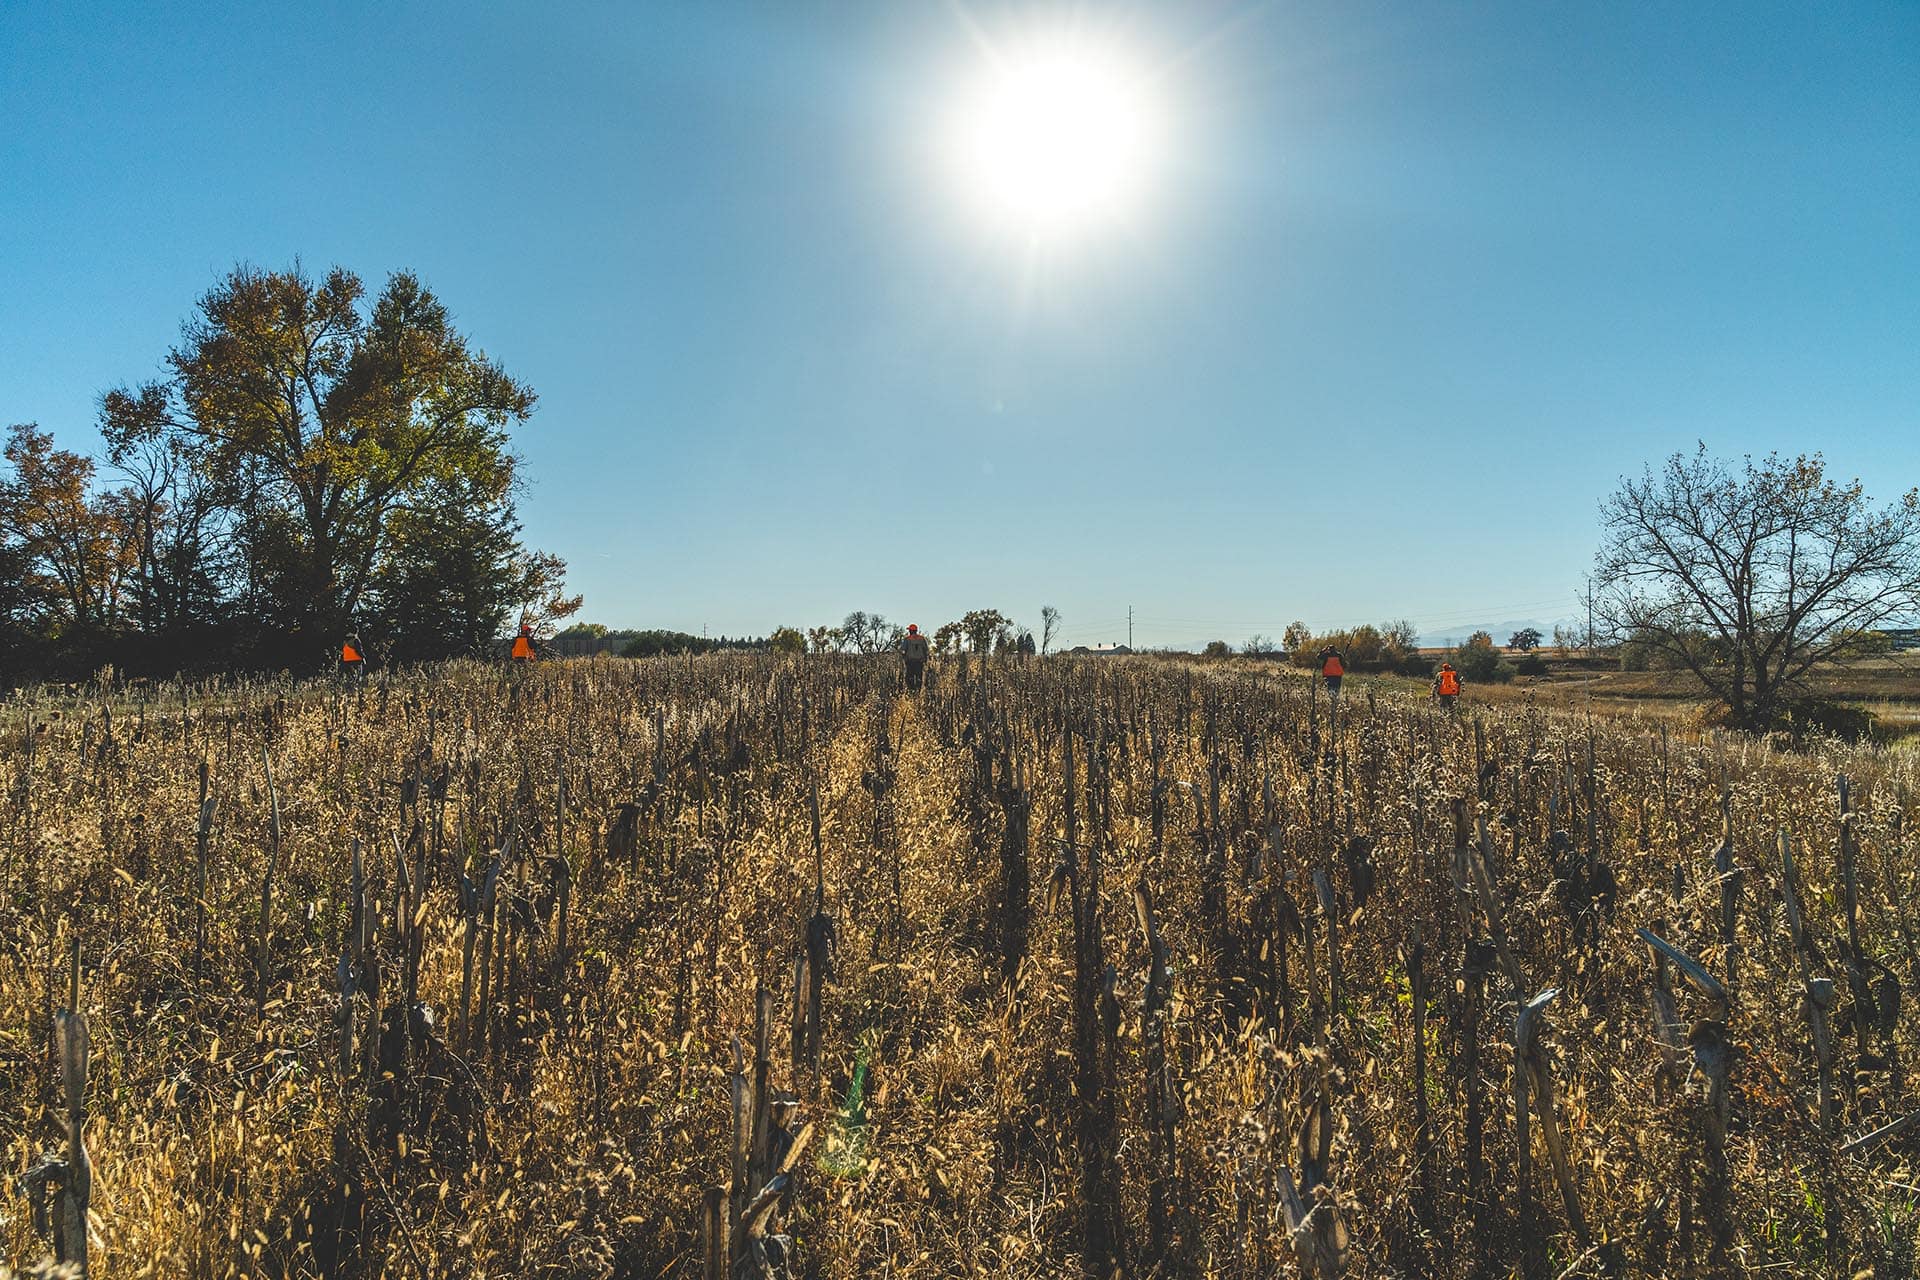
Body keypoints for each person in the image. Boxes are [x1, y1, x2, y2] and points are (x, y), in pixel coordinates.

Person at [900, 623, 931, 691]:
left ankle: (911, 691)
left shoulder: (907, 639)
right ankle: (918, 692)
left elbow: (903, 650)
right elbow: (926, 650)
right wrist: (925, 660)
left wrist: (904, 658)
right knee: (919, 678)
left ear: (911, 631)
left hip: (910, 662)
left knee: (909, 678)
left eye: (909, 630)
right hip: (919, 662)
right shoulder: (922, 639)